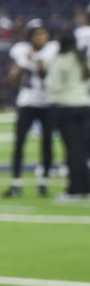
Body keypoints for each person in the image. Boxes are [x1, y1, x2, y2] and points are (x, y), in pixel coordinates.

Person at [3, 19, 58, 197]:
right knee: (19, 141)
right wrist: (22, 64)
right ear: (30, 37)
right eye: (38, 34)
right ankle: (16, 183)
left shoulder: (52, 49)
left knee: (47, 144)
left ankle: (43, 182)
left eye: (44, 33)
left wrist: (38, 62)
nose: (42, 37)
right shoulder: (20, 51)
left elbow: (46, 74)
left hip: (47, 101)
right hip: (27, 101)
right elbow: (12, 81)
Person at [47, 32, 90, 200]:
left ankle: (75, 189)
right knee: (83, 150)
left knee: (73, 151)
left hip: (66, 108)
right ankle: (86, 187)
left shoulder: (59, 60)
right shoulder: (81, 59)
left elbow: (53, 86)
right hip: (84, 106)